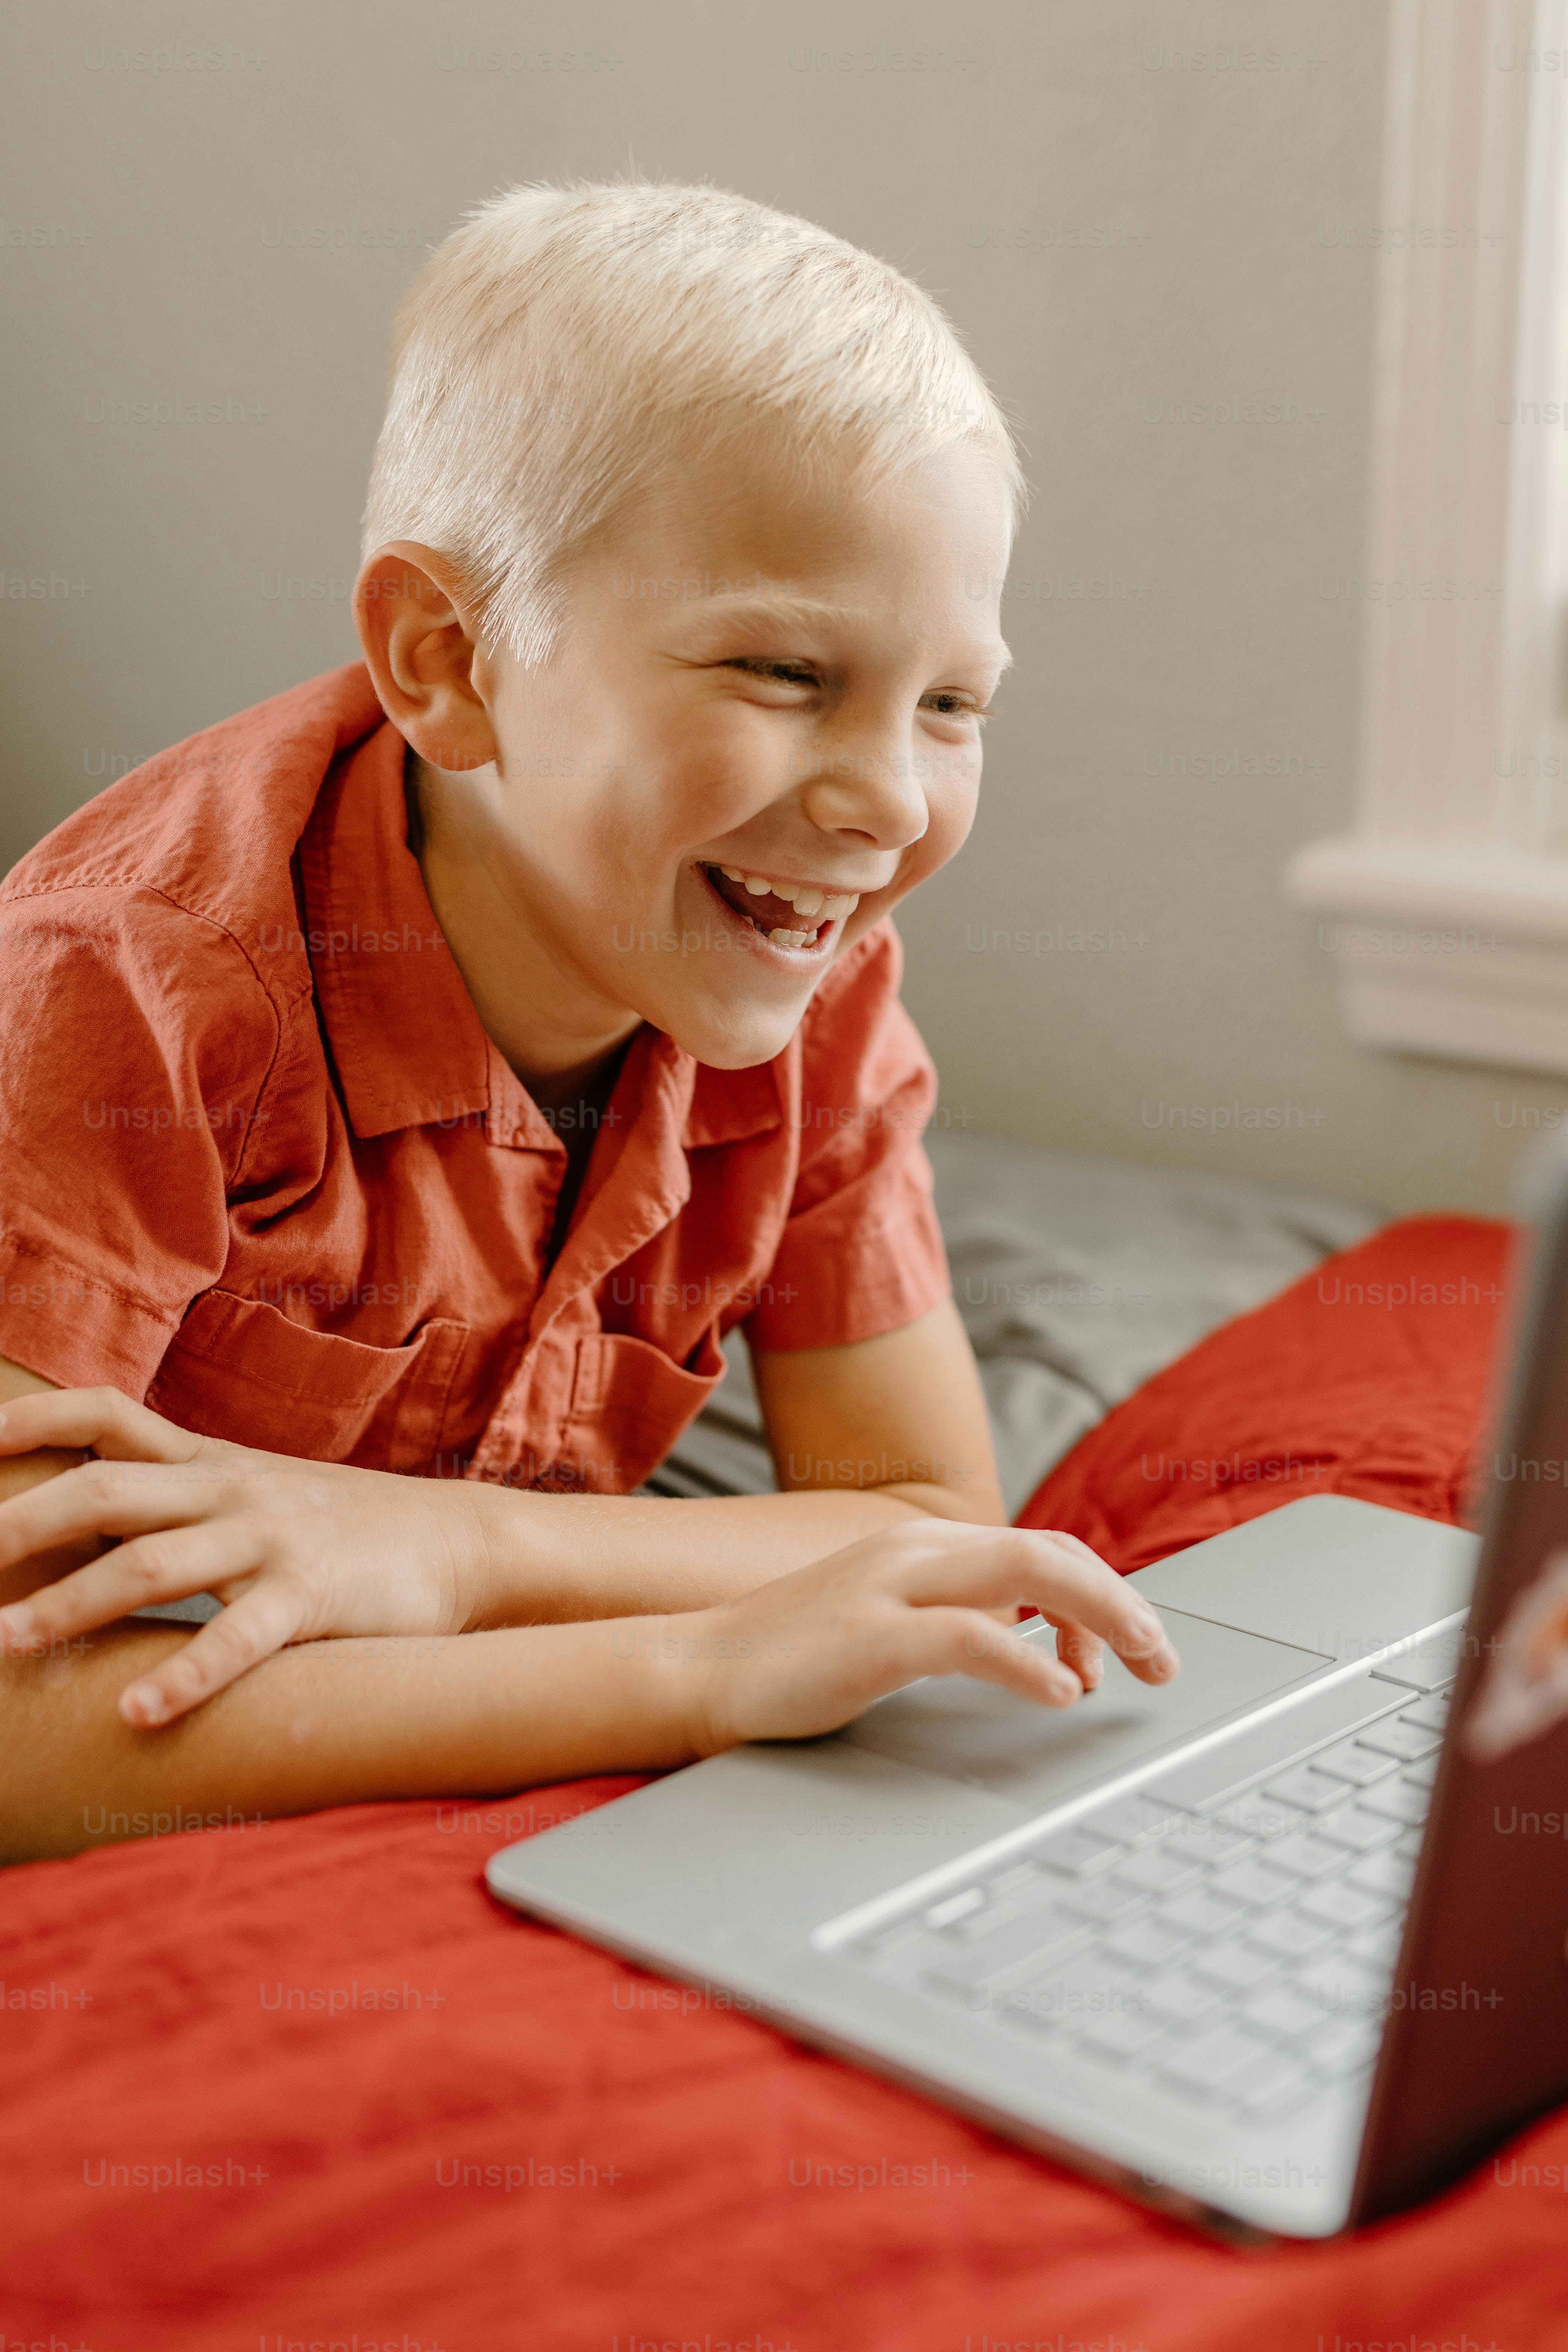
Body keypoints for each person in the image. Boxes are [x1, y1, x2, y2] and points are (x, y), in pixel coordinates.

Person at [0, 180, 1177, 1861]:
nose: (883, 801)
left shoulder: (802, 970)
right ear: (449, 661)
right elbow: (18, 1733)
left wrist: (443, 1546)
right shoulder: (123, 992)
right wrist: (695, 1663)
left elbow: (923, 1513)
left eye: (950, 703)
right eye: (782, 672)